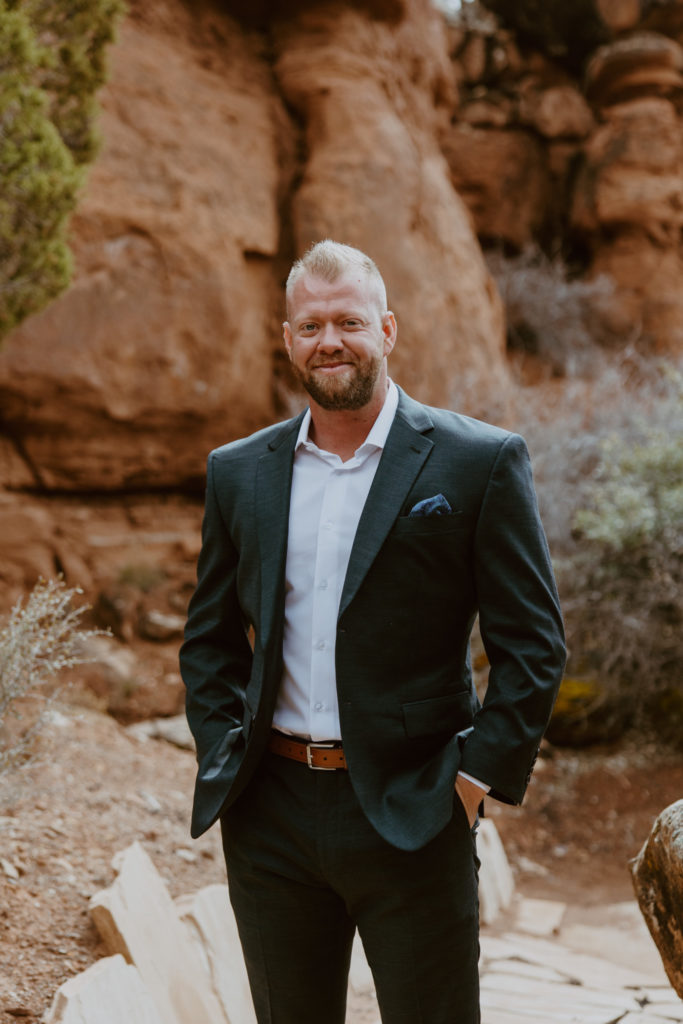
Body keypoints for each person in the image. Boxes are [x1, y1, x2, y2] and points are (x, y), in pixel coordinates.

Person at [179, 240, 566, 1023]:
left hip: (415, 806)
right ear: (287, 339)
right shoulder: (238, 470)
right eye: (311, 324)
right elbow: (209, 639)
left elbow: (533, 646)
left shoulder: (477, 461)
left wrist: (469, 783)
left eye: (348, 321)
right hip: (272, 814)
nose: (330, 341)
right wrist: (227, 754)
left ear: (386, 330)